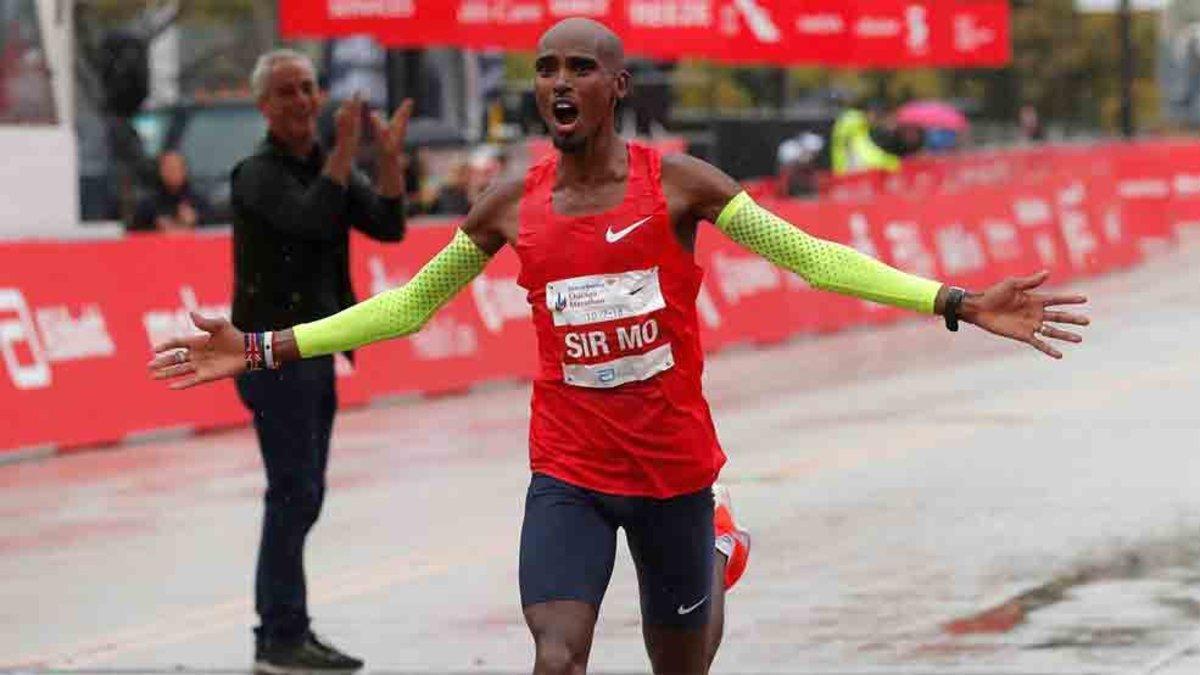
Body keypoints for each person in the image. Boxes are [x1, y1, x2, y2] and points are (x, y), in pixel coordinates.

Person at [150, 19, 1090, 675]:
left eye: (580, 69)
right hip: (568, 471)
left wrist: (957, 299)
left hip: (675, 470)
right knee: (556, 651)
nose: (559, 82)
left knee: (677, 659)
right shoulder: (508, 206)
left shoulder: (680, 186)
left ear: (618, 86)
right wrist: (267, 344)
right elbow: (405, 308)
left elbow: (815, 259)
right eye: (547, 69)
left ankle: (717, 545)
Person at [226, 49, 411, 672]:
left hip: (316, 349)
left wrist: (384, 159)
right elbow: (308, 220)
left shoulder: (321, 163)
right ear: (264, 107)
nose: (303, 100)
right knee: (293, 495)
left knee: (303, 495)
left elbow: (388, 225)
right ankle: (278, 638)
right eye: (287, 92)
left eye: (308, 88)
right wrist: (345, 149)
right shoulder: (255, 173)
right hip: (269, 357)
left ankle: (289, 630)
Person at [128, 150, 210, 232]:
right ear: (160, 171)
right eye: (168, 168)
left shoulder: (199, 202)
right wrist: (156, 227)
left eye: (176, 168)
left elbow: (215, 231)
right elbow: (132, 234)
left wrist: (195, 221)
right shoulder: (148, 205)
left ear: (184, 171)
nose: (172, 172)